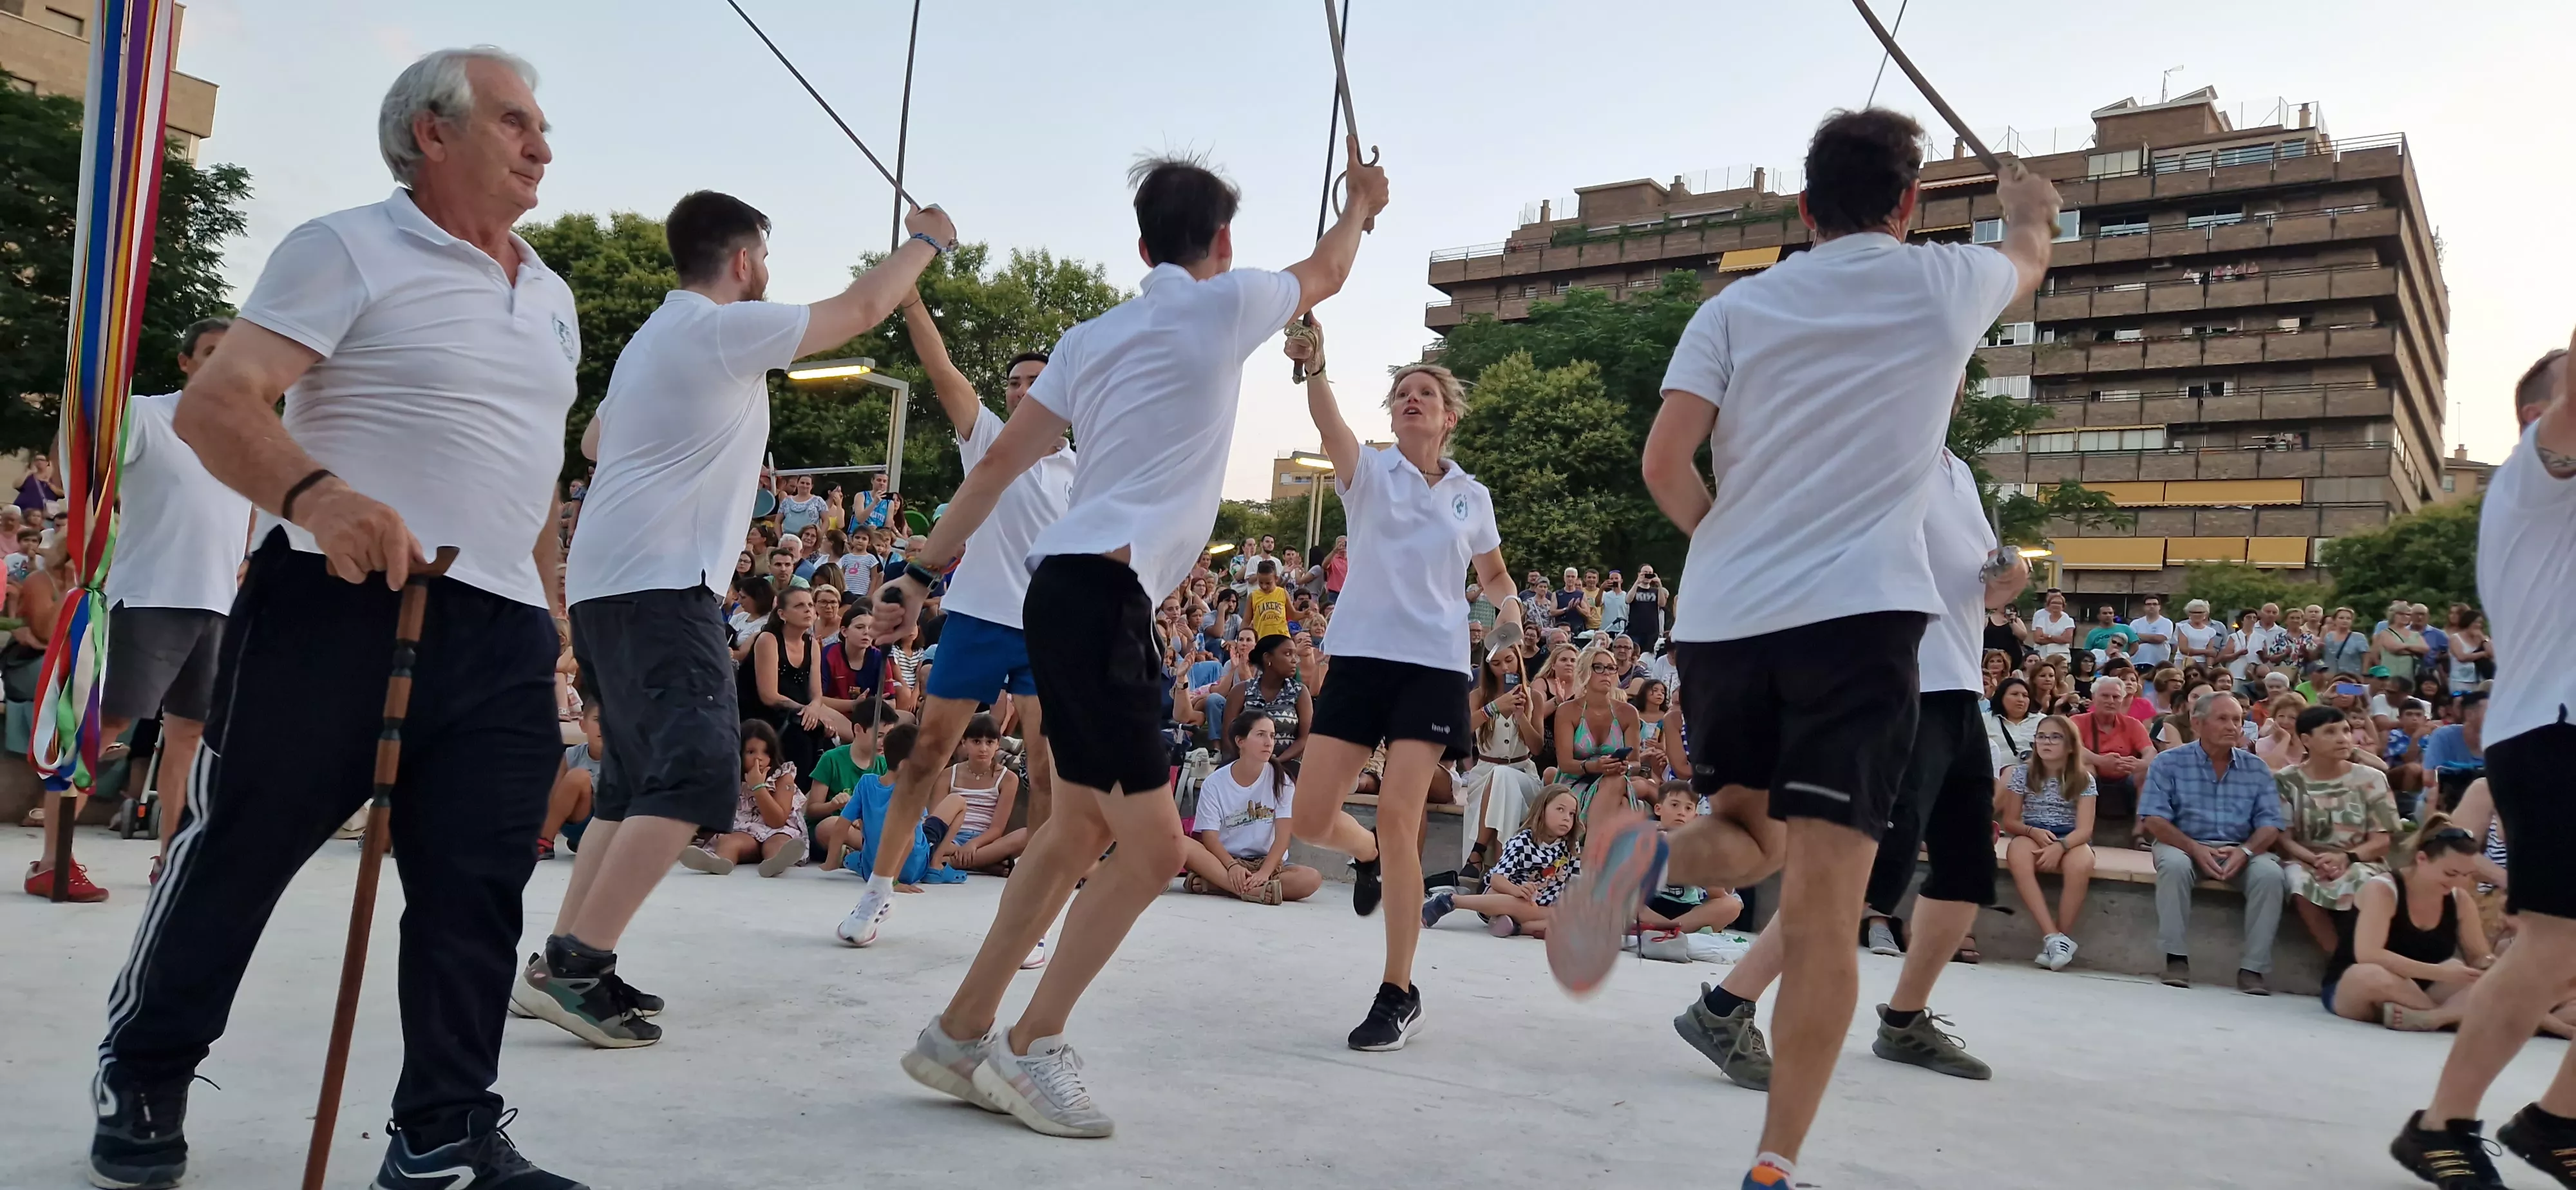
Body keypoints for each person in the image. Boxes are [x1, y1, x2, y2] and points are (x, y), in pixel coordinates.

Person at [89, 48, 587, 1189]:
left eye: (541, 125)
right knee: (242, 849)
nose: (541, 144)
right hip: (336, 601)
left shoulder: (551, 295)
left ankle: (441, 1135)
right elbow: (222, 402)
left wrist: (550, 616)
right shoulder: (347, 244)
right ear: (431, 132)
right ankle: (147, 1066)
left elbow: (529, 474)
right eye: (515, 121)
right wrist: (319, 495)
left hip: (501, 623)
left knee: (477, 887)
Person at [872, 142, 1383, 1140]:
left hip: (1067, 594)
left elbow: (997, 471)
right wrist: (1362, 204)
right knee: (1151, 853)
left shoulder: (1089, 338)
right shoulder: (1226, 302)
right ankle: (1027, 1047)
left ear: (1140, 241)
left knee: (1076, 829)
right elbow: (1328, 271)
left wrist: (921, 571)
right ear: (1222, 243)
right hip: (1100, 601)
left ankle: (961, 1030)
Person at [1595, 108, 2056, 1190]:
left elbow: (1665, 461)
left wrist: (1738, 547)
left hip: (1725, 617)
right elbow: (2028, 253)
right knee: (1822, 908)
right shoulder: (1945, 280)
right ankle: (1774, 1163)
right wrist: (2029, 210)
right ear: (1910, 205)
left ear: (1803, 210)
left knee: (1747, 831)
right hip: (1858, 622)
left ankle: (1650, 856)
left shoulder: (1736, 305)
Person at [530, 185, 942, 1047]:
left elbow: (598, 443)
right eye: (767, 262)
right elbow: (864, 306)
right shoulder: (720, 330)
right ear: (746, 259)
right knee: (693, 778)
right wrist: (925, 243)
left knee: (632, 785)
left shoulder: (654, 338)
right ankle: (577, 965)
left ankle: (567, 963)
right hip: (662, 582)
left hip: (609, 581)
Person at [1693, 444, 2033, 1091]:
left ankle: (1904, 1020)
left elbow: (1978, 582)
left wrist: (2004, 583)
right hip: (1898, 689)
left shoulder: (1957, 472)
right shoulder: (1879, 448)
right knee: (1859, 874)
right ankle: (1724, 1008)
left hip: (1959, 688)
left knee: (1964, 869)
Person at [1272, 312, 1519, 1049]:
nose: (1411, 399)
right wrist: (1315, 362)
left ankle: (1397, 990)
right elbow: (1327, 419)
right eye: (1402, 393)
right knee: (1314, 819)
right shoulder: (1368, 472)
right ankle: (1369, 858)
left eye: (1424, 394)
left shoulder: (1471, 494)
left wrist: (1506, 622)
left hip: (1434, 667)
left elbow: (1496, 577)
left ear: (1447, 417)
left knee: (1401, 816)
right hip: (1361, 660)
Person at [2391, 340, 2576, 1187]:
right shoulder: (2537, 484)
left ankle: (2555, 1121)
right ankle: (2441, 1126)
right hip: (2552, 732)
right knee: (2552, 940)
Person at [835, 299, 1069, 952]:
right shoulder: (989, 437)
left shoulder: (1084, 470)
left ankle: (1034, 920)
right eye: (1014, 383)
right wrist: (910, 298)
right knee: (925, 756)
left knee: (1049, 774)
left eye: (1036, 382)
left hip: (1049, 631)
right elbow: (941, 371)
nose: (1022, 390)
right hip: (977, 618)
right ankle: (878, 893)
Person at [38, 319, 250, 899]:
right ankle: (51, 859)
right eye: (209, 352)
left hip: (217, 604)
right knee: (107, 725)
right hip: (152, 595)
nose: (221, 362)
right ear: (186, 362)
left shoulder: (244, 435)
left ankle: (172, 861)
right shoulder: (147, 415)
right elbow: (79, 467)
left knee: (191, 736)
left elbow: (245, 521)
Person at [2140, 692, 2288, 994]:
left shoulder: (2256, 768)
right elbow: (2153, 820)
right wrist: (2194, 847)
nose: (2233, 726)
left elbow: (2271, 823)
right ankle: (2176, 958)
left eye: (2238, 719)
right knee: (2175, 865)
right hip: (2183, 843)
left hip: (2239, 847)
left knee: (2271, 875)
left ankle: (2253, 969)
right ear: (2197, 724)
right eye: (2223, 719)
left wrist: (2246, 851)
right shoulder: (2169, 762)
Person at [2327, 818, 2491, 1032]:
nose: (2460, 883)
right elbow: (2368, 954)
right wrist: (2439, 973)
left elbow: (2478, 956)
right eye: (2450, 874)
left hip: (2428, 989)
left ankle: (2430, 1017)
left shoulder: (2459, 899)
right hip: (2360, 987)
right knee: (2372, 975)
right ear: (2422, 859)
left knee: (2486, 979)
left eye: (2467, 875)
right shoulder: (2384, 890)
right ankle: (2444, 1016)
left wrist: (2489, 965)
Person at [2273, 704, 2401, 954]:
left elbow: (2382, 841)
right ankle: (2338, 962)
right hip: (2305, 859)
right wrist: (2315, 860)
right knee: (2298, 882)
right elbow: (2283, 838)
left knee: (2363, 881)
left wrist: (2346, 858)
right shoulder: (2286, 780)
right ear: (2306, 740)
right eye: (2330, 732)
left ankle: (2365, 957)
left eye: (2346, 730)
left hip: (2358, 858)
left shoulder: (2372, 778)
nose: (2343, 738)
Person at [1177, 712, 1320, 905]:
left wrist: (1264, 873)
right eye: (1261, 735)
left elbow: (1283, 837)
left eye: (1272, 735)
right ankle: (1252, 890)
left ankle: (1216, 885)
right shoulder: (1215, 783)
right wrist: (1232, 866)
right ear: (1240, 741)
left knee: (1310, 879)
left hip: (1267, 862)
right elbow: (1209, 837)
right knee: (1181, 845)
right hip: (1225, 861)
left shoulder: (1282, 781)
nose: (1269, 742)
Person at [1421, 784, 1582, 938]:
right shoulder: (1523, 842)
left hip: (1542, 905)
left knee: (1571, 918)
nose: (1567, 818)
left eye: (1572, 814)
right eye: (1560, 810)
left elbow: (1574, 883)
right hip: (1503, 896)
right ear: (1542, 811)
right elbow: (1497, 879)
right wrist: (1517, 891)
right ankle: (1451, 901)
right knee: (1520, 905)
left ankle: (1515, 927)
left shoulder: (1570, 845)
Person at [676, 719, 808, 877]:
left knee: (779, 844)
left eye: (765, 752)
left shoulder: (783, 777)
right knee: (729, 842)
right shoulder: (730, 777)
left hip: (778, 830)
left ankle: (775, 863)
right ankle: (719, 862)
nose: (759, 758)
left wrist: (758, 787)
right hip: (744, 831)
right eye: (751, 752)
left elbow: (777, 821)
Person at [929, 713, 1029, 875]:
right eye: (976, 742)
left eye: (989, 742)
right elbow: (935, 820)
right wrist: (958, 847)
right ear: (964, 742)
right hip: (950, 840)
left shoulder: (1008, 778)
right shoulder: (948, 775)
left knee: (1026, 834)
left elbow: (997, 828)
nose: (983, 748)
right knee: (926, 837)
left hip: (985, 842)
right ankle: (982, 864)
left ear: (997, 744)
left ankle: (950, 862)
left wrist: (973, 844)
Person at [1554, 642, 1643, 815]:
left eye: (1611, 668)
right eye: (1599, 668)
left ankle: (1595, 841)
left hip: (1614, 780)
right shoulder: (1567, 711)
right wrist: (1596, 766)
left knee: (1617, 787)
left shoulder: (1628, 712)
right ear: (1584, 671)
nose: (1607, 673)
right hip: (1577, 781)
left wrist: (1627, 768)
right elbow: (1565, 764)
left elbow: (1636, 763)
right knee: (1619, 799)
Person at [2073, 675, 2155, 828]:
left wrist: (2141, 763)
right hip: (2094, 773)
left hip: (2125, 775)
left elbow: (2150, 750)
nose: (2110, 701)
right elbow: (2072, 748)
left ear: (2122, 700)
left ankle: (2139, 832)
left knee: (2145, 773)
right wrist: (2100, 761)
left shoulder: (2133, 724)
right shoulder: (2078, 721)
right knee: (2086, 770)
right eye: (2105, 696)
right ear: (2094, 697)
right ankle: (2082, 828)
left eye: (2116, 697)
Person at [1218, 634, 1310, 768]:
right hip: (1245, 764)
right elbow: (1228, 736)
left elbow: (1304, 739)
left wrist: (1276, 762)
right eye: (1287, 654)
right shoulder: (1241, 691)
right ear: (1268, 658)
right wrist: (1248, 762)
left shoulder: (1300, 692)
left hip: (1286, 765)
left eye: (1294, 655)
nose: (1294, 660)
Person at [1984, 675, 2038, 773]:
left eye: (2025, 696)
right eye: (2015, 694)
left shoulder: (2042, 721)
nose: (2021, 699)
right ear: (2001, 697)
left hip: (2035, 775)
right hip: (1995, 776)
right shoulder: (1985, 720)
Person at [2130, 594, 2175, 669]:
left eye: (2155, 604)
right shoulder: (2135, 623)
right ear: (2144, 607)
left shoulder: (2166, 622)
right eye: (2149, 604)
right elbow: (2132, 641)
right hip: (2136, 662)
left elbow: (2159, 639)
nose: (2152, 606)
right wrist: (2152, 637)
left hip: (2158, 663)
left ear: (2159, 607)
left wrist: (2137, 635)